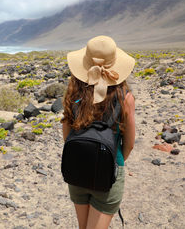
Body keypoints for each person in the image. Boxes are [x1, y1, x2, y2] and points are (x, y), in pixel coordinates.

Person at [61, 35, 136, 229]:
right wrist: (114, 161)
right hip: (108, 172)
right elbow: (129, 143)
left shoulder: (73, 93)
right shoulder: (125, 98)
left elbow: (67, 134)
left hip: (77, 167)